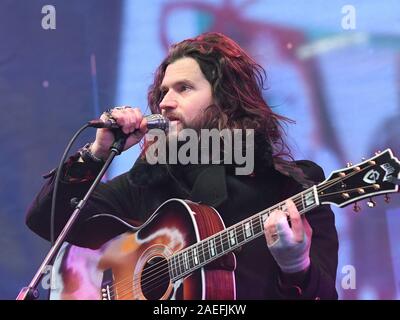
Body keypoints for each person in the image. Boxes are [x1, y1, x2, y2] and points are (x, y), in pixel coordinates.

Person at [26, 32, 338, 299]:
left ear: (226, 100)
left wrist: (296, 266)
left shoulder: (292, 186)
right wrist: (97, 153)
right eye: (163, 92)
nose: (165, 103)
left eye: (183, 88)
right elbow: (46, 219)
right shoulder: (151, 180)